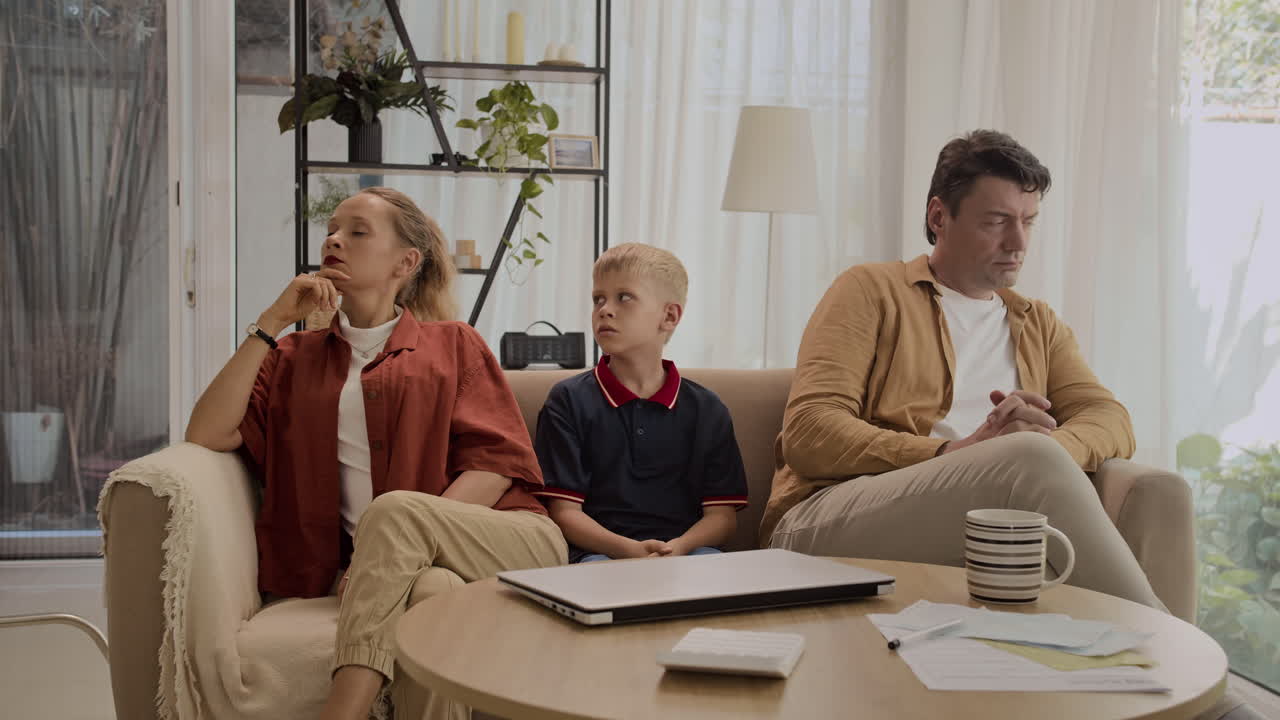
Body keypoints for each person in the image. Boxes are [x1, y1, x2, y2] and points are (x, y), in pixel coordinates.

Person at [184, 187, 566, 720]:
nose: (335, 239)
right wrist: (271, 322)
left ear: (405, 262)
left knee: (394, 511)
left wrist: (381, 554)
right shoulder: (292, 358)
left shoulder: (454, 343)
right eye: (332, 230)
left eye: (357, 232)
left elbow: (492, 466)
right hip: (415, 569)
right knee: (433, 594)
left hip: (505, 539)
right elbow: (206, 433)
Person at [760, 129, 1170, 610]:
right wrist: (959, 452)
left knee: (1041, 463)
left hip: (980, 518)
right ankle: (1165, 651)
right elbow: (810, 433)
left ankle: (1121, 663)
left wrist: (1039, 449)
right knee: (1026, 461)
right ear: (939, 216)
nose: (1017, 242)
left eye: (1028, 221)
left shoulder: (1038, 323)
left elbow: (1110, 419)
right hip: (827, 518)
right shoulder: (870, 290)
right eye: (996, 221)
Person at [533, 243, 749, 562]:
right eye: (598, 299)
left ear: (669, 316)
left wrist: (680, 547)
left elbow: (721, 517)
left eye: (624, 297)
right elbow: (564, 513)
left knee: (710, 564)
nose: (605, 309)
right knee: (594, 572)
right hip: (600, 553)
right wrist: (628, 550)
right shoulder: (568, 400)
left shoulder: (708, 409)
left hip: (686, 552)